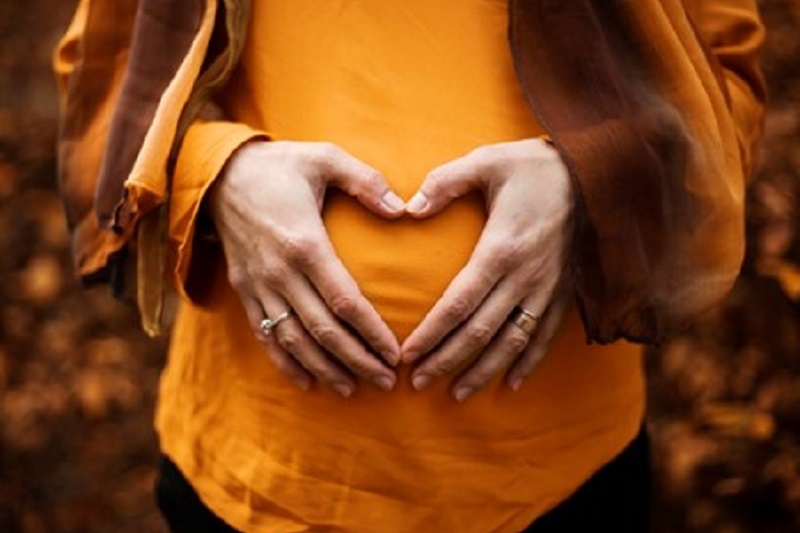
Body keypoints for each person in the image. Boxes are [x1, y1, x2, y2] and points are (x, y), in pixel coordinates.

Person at [54, 0, 765, 531]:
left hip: (557, 481)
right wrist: (214, 176)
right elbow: (105, 79)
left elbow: (724, 88)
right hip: (257, 478)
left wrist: (589, 181)